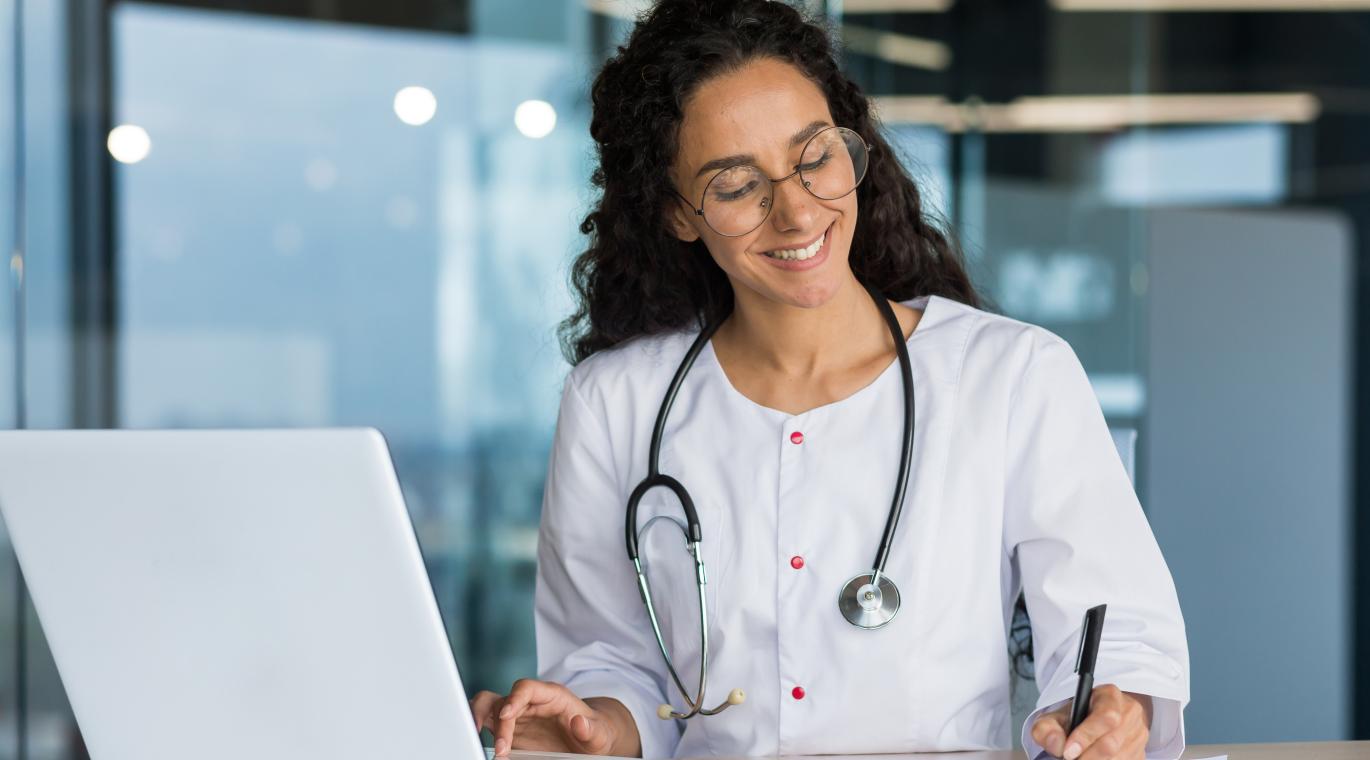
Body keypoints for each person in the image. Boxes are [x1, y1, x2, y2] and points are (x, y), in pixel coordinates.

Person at [468, 1, 1189, 758]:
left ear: (853, 149)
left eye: (814, 156)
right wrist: (593, 728)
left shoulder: (1011, 375)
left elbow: (1117, 637)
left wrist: (1114, 707)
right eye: (736, 184)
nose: (796, 210)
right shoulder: (616, 402)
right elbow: (610, 662)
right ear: (678, 213)